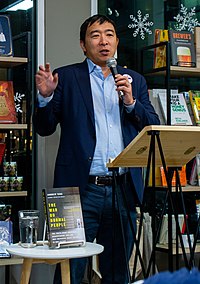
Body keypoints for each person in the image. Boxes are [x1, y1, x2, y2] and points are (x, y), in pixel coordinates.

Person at [34, 14, 160, 284]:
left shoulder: (134, 80)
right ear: (83, 44)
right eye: (95, 35)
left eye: (109, 34)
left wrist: (130, 102)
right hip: (78, 190)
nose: (103, 41)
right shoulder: (66, 77)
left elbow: (152, 126)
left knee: (117, 271)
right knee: (71, 270)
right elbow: (44, 128)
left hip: (122, 189)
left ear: (116, 41)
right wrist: (45, 98)